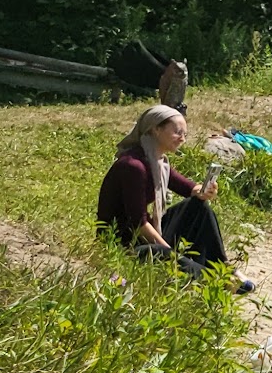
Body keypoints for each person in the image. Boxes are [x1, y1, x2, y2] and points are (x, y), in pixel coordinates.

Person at [96, 104, 251, 289]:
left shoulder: (157, 160)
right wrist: (171, 253)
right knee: (162, 253)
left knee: (198, 207)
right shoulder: (133, 166)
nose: (182, 138)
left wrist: (205, 191)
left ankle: (222, 265)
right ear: (156, 129)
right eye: (177, 132)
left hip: (142, 234)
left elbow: (188, 187)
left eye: (185, 134)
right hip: (123, 242)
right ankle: (217, 281)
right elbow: (138, 223)